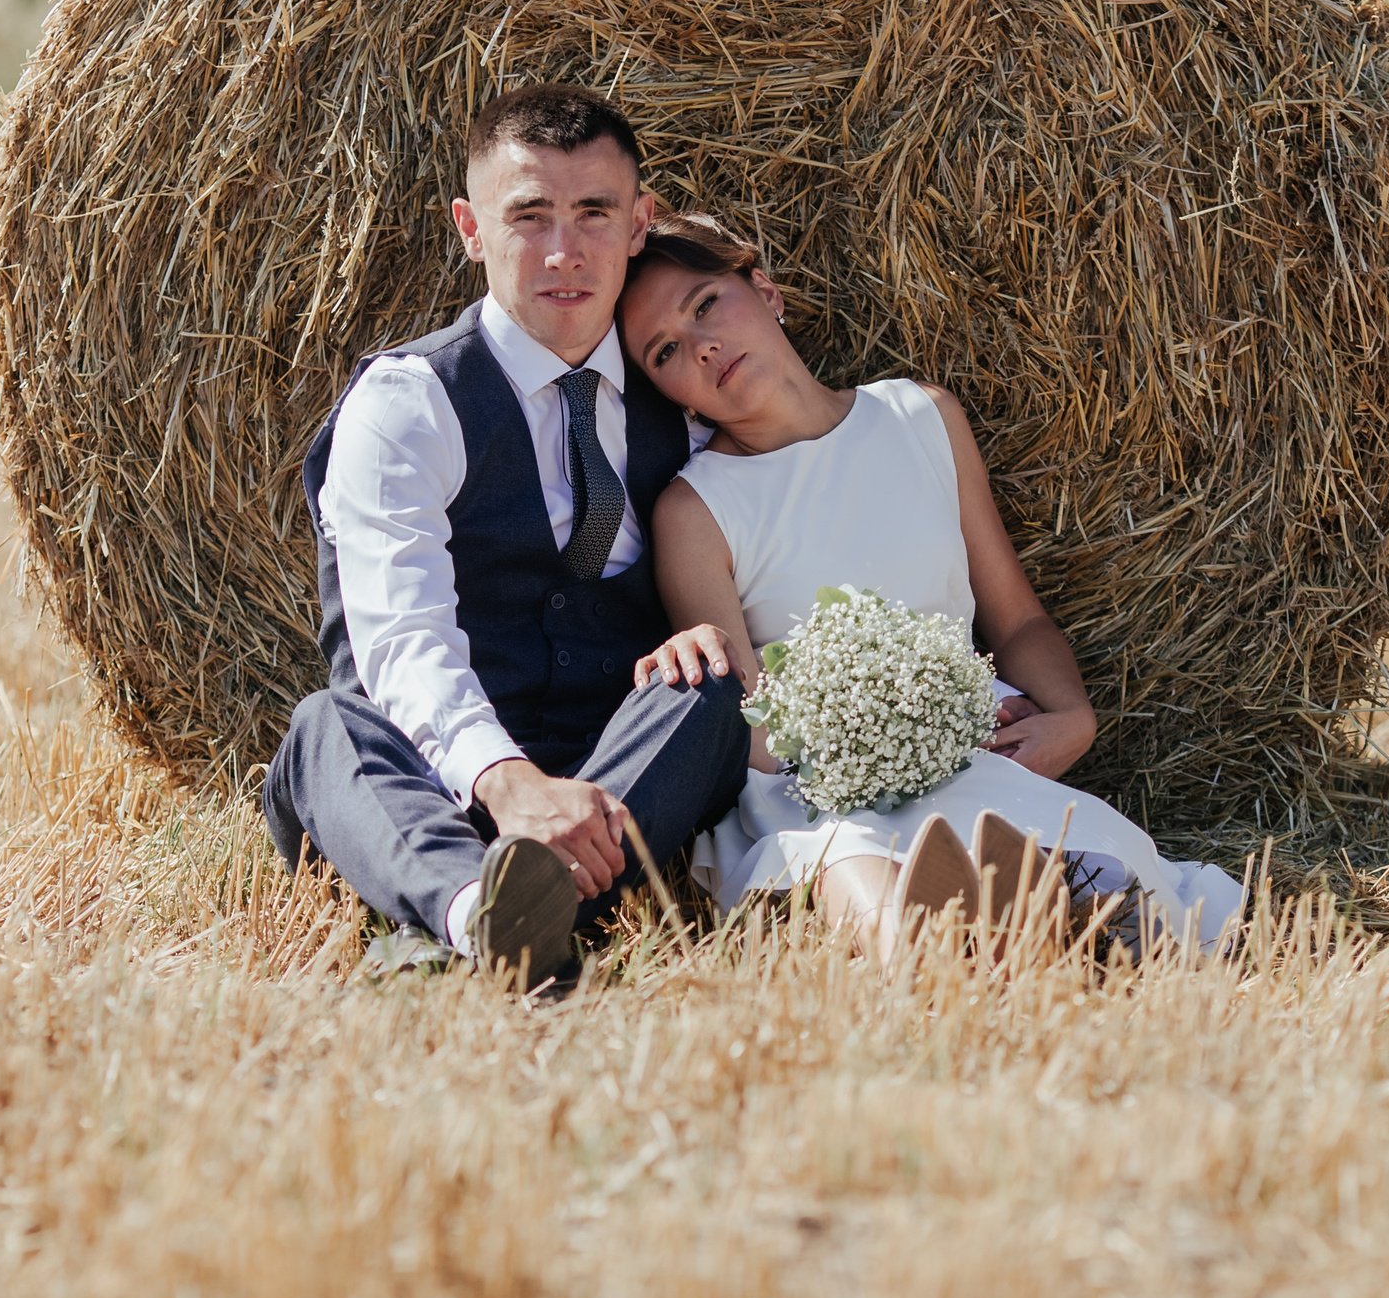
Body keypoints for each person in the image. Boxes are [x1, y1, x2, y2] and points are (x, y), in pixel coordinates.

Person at [619, 215, 1245, 957]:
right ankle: (941, 957)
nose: (703, 346)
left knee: (1121, 891)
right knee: (852, 862)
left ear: (765, 288)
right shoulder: (695, 511)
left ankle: (1031, 915)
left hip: (972, 756)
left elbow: (1017, 622)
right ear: (668, 393)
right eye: (667, 352)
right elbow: (752, 735)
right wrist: (881, 740)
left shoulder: (921, 417)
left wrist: (1072, 715)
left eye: (705, 305)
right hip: (814, 793)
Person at [262, 88, 751, 985]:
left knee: (708, 684)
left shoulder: (681, 408)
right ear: (470, 227)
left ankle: (498, 915)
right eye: (529, 215)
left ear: (640, 223)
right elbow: (401, 639)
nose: (565, 252)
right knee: (326, 726)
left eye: (594, 212)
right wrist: (509, 783)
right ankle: (477, 908)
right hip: (428, 778)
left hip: (610, 770)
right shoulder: (407, 405)